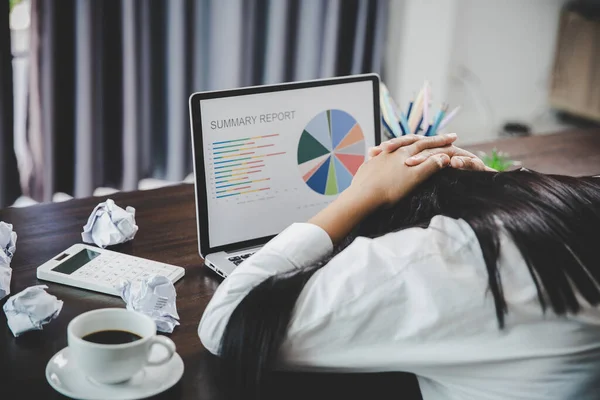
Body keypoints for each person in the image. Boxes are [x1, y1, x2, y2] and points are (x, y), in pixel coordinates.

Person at [198, 133, 600, 400]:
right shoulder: (582, 198)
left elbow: (226, 320)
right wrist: (497, 187)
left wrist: (360, 197)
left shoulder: (434, 260)